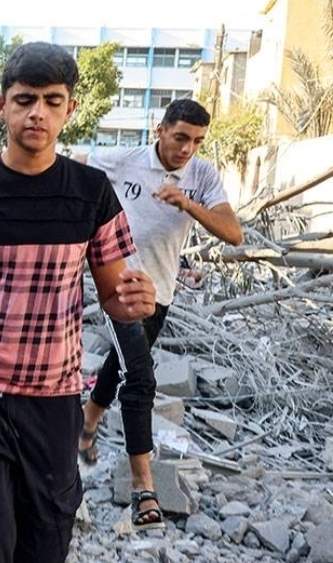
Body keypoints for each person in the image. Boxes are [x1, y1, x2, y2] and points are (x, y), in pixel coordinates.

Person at [0, 41, 157, 563]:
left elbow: (114, 296)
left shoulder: (90, 192)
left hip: (52, 397)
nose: (38, 113)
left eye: (52, 101)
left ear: (69, 109)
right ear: (1, 105)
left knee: (46, 543)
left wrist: (136, 301)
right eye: (25, 99)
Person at [79, 98, 242, 530]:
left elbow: (233, 233)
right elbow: (74, 167)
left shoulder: (201, 176)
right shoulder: (124, 160)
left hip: (161, 292)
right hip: (121, 286)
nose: (188, 148)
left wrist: (187, 204)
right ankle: (143, 488)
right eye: (181, 137)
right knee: (141, 377)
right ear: (161, 130)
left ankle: (86, 423)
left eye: (198, 141)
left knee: (121, 367)